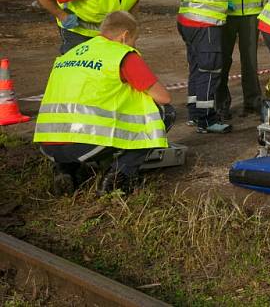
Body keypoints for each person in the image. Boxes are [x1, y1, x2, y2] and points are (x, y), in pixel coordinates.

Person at [34, 11, 174, 195]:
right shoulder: (121, 55)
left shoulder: (69, 55)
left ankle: (65, 170)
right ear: (124, 36)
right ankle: (118, 177)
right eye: (135, 39)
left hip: (49, 144)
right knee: (164, 112)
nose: (135, 44)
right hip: (87, 142)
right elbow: (164, 97)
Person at [177, 0, 240, 134]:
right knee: (210, 71)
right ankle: (206, 119)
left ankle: (195, 114)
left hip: (187, 20)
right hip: (206, 24)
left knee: (197, 69)